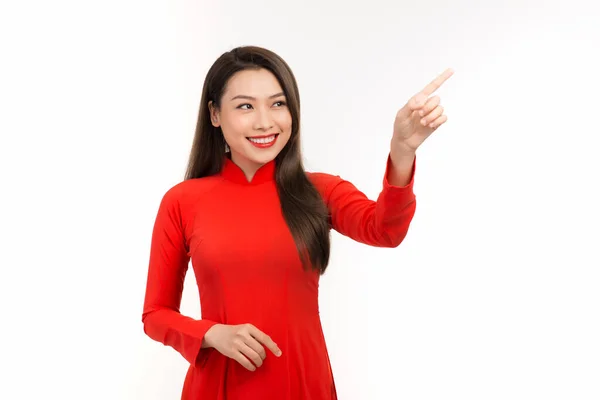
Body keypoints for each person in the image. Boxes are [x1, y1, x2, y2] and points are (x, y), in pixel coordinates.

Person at [141, 45, 453, 399]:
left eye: (278, 103)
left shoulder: (320, 191)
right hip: (219, 386)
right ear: (214, 114)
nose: (264, 121)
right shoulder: (182, 201)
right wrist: (211, 334)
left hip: (304, 383)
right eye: (245, 105)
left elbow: (386, 230)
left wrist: (402, 151)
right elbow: (155, 314)